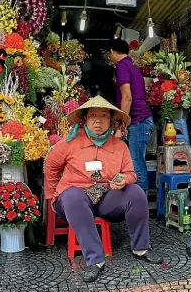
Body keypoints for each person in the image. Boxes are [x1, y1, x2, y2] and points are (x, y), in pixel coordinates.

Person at [45, 96, 163, 282]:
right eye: (93, 115)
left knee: (136, 193)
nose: (98, 120)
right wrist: (52, 194)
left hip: (106, 197)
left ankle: (141, 248)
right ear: (85, 119)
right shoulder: (69, 142)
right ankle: (95, 259)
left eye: (103, 115)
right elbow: (51, 165)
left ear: (111, 120)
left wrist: (124, 180)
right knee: (72, 197)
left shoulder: (119, 146)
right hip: (74, 198)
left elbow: (131, 174)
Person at [109, 39, 155, 192]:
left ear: (112, 51)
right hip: (141, 120)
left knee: (136, 162)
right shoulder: (132, 67)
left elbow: (127, 97)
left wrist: (122, 124)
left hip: (138, 121)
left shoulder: (121, 66)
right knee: (136, 160)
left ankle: (141, 200)